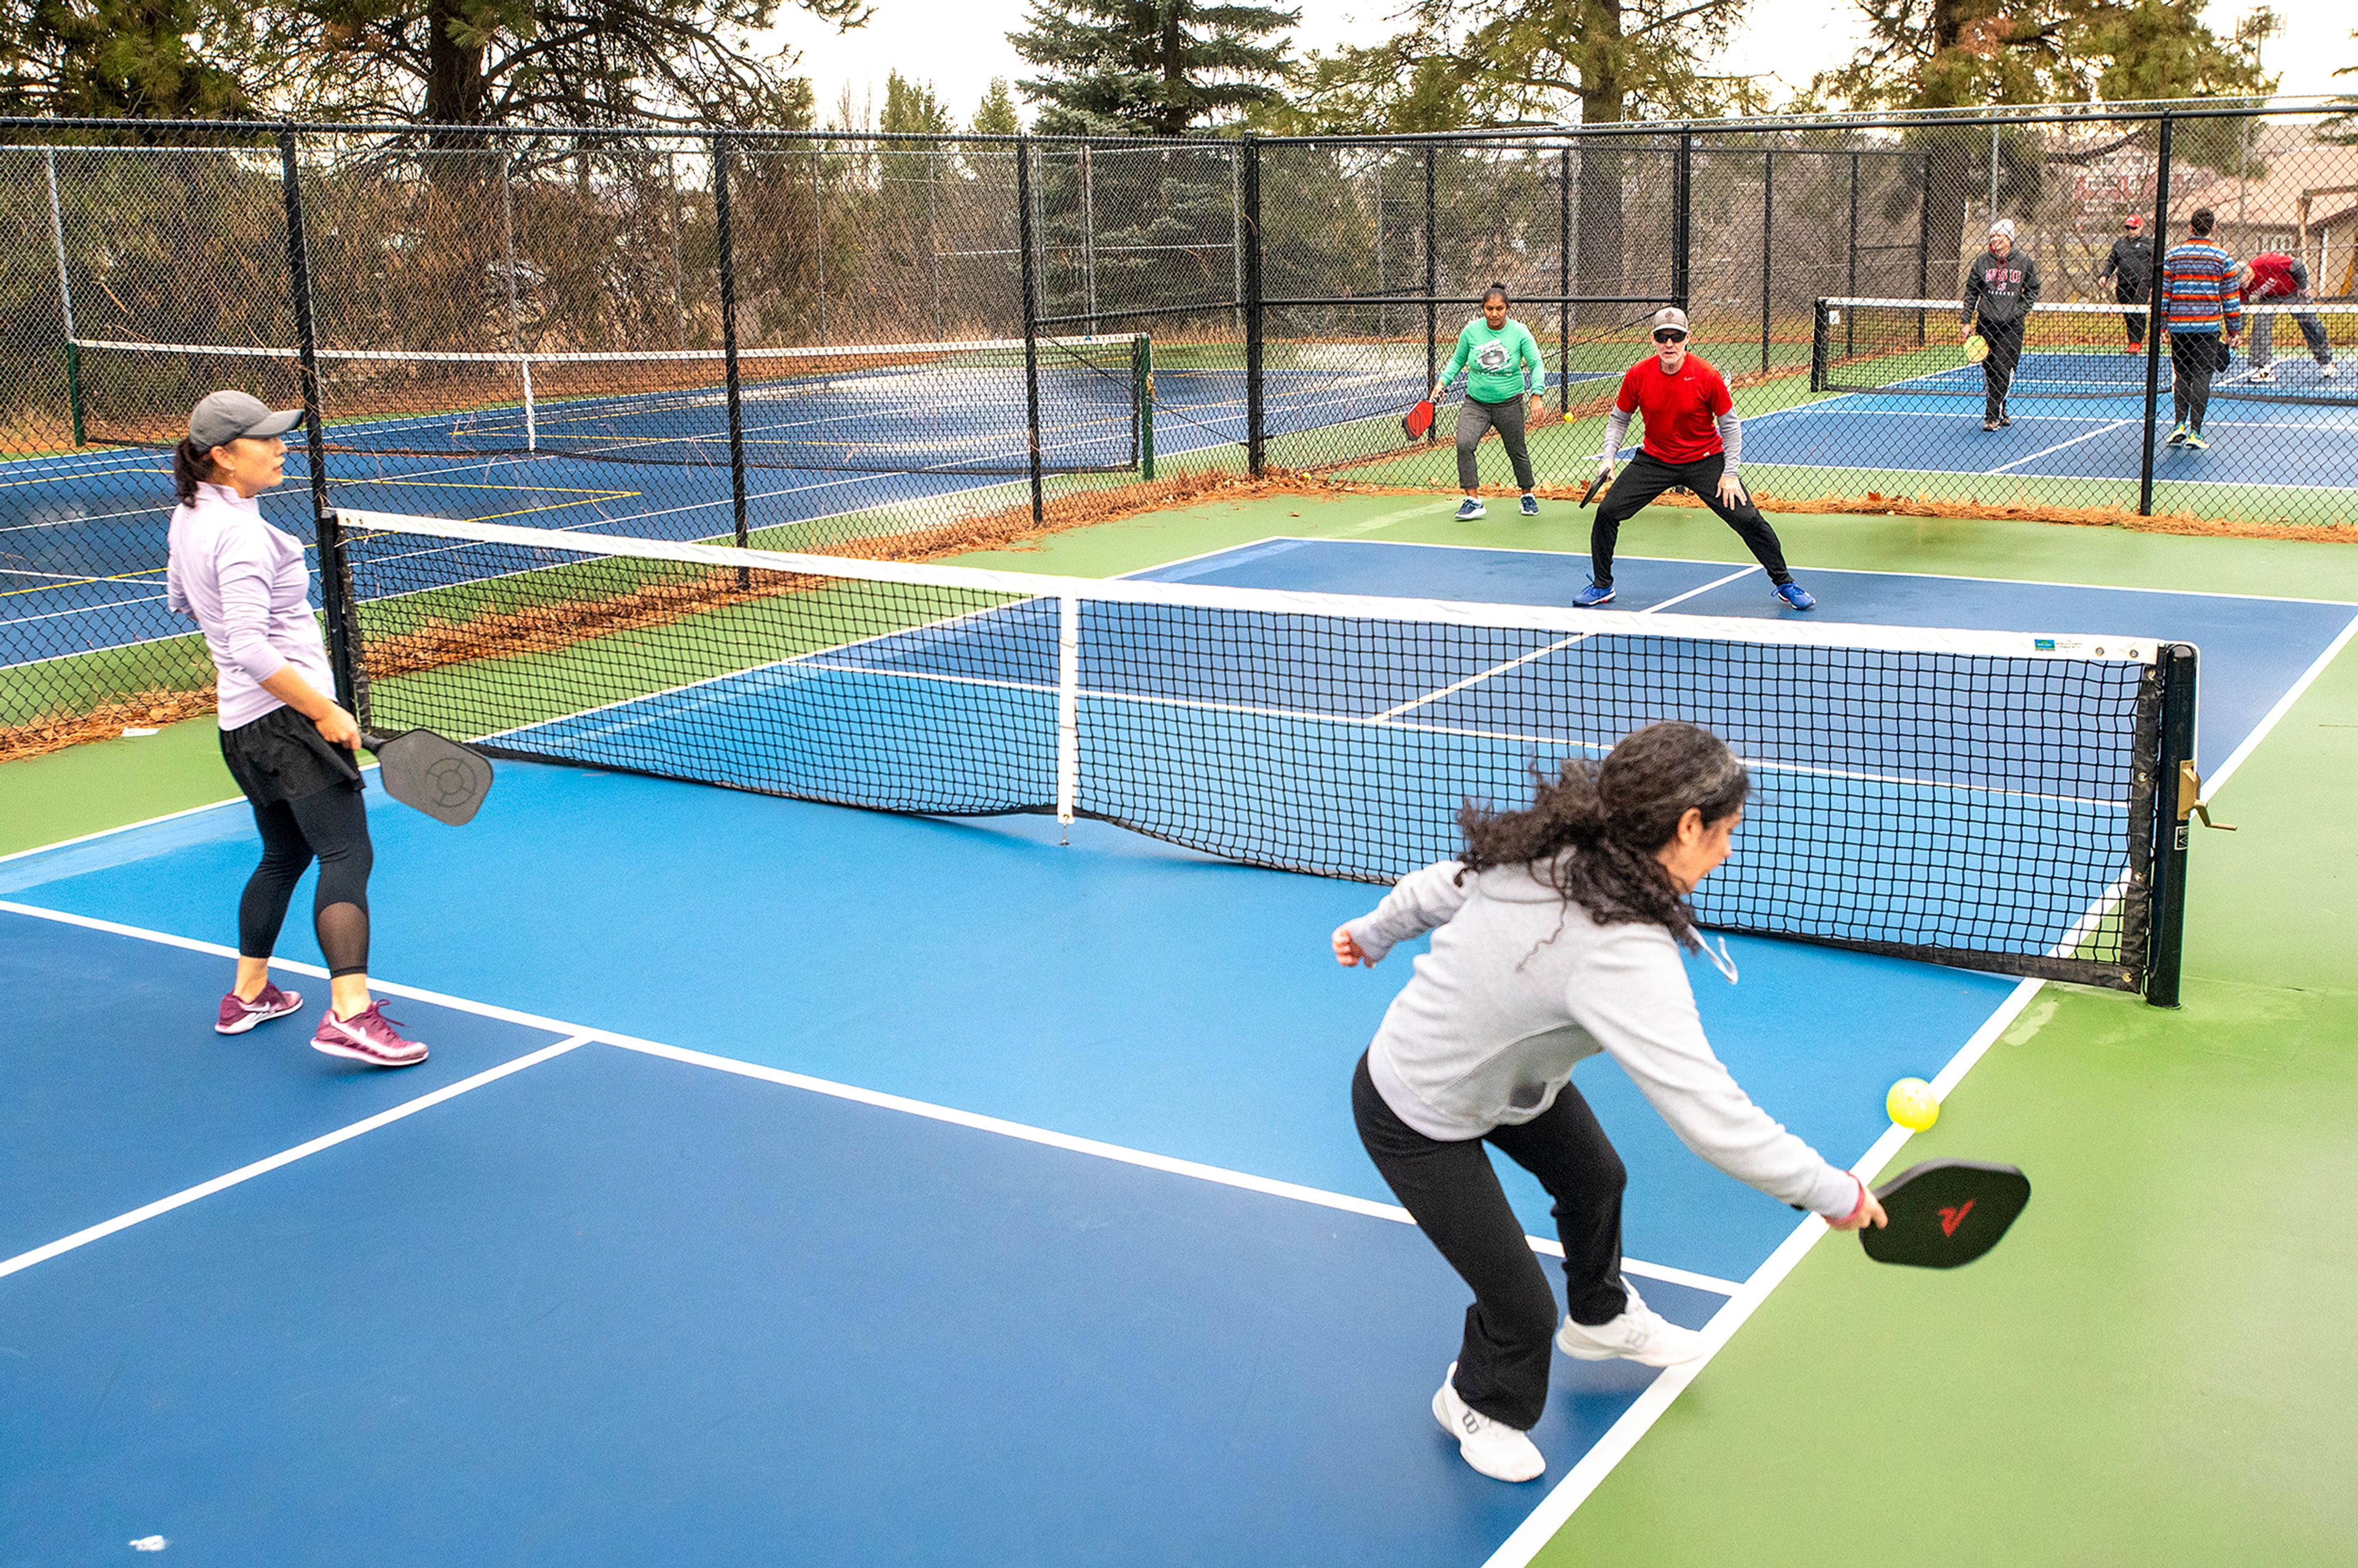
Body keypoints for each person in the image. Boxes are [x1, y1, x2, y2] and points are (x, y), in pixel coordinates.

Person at [1333, 721, 1886, 1484]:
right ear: (1687, 826)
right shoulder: (1621, 950)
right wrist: (1833, 1192)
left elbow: (1437, 885)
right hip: (1414, 1109)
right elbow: (1710, 1114)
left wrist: (1373, 932)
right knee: (1521, 1307)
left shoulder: (1561, 848)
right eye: (1726, 833)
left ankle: (1600, 1316)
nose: (1727, 850)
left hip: (1511, 1084)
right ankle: (1476, 1402)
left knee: (1597, 1180)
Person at [166, 389, 427, 1068]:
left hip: (241, 728)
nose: (282, 448)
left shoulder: (189, 516)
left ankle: (249, 993)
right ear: (224, 457)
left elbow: (181, 600)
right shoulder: (245, 534)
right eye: (266, 440)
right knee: (348, 855)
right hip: (288, 721)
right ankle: (350, 1014)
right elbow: (253, 647)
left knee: (285, 854)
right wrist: (321, 708)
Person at [1580, 307, 1815, 612]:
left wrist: (1730, 474)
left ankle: (1785, 584)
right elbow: (1619, 419)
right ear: (1653, 340)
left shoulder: (1707, 376)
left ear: (1687, 338)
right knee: (1608, 513)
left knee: (1748, 520)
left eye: (1675, 337)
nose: (1669, 344)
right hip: (1655, 460)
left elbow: (1730, 426)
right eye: (1662, 337)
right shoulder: (1638, 375)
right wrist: (1608, 458)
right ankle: (1602, 585)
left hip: (1706, 460)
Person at [1430, 283, 1547, 521]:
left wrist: (1537, 395)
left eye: (1499, 309)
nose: (1494, 313)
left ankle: (1527, 495)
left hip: (1510, 403)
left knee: (1517, 451)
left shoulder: (1520, 332)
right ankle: (1473, 500)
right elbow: (1456, 361)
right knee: (1464, 444)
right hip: (1476, 404)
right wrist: (1442, 382)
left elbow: (1536, 364)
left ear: (1507, 309)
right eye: (1489, 308)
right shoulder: (1471, 332)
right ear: (1483, 309)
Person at [2159, 208, 2243, 451]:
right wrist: (2234, 330)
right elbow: (2230, 297)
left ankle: (2179, 426)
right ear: (2213, 228)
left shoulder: (2173, 256)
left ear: (2190, 227)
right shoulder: (2222, 257)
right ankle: (2195, 431)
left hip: (2179, 327)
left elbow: (2165, 294)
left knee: (2183, 373)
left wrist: (2164, 324)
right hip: (2207, 328)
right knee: (2202, 376)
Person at [1962, 218, 2041, 430]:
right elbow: (1971, 291)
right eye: (1993, 235)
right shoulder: (1982, 262)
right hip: (1986, 324)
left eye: (1999, 235)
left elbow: (2033, 289)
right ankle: (2002, 407)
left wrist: (2019, 310)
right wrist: (1966, 321)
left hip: (2012, 327)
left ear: (2009, 239)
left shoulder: (2024, 262)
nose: (1995, 239)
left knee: (2002, 368)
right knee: (1990, 370)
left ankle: (1991, 415)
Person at [2241, 248, 2338, 383]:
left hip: (2294, 292)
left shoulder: (2265, 261)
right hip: (2269, 298)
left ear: (2247, 272)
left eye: (2243, 280)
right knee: (2261, 323)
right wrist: (2237, 333)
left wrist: (2303, 286)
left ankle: (2326, 361)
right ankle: (2263, 368)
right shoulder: (2242, 287)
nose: (2243, 284)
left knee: (2311, 324)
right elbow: (2242, 311)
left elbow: (2297, 265)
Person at [2099, 213, 2154, 354]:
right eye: (2128, 228)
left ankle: (2137, 343)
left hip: (2141, 283)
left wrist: (2152, 282)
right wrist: (2105, 276)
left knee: (2138, 312)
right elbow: (2112, 262)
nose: (2130, 231)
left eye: (2134, 228)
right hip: (2124, 283)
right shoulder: (2120, 244)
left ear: (2140, 227)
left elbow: (2155, 263)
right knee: (2128, 314)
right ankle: (2132, 342)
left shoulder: (2149, 244)